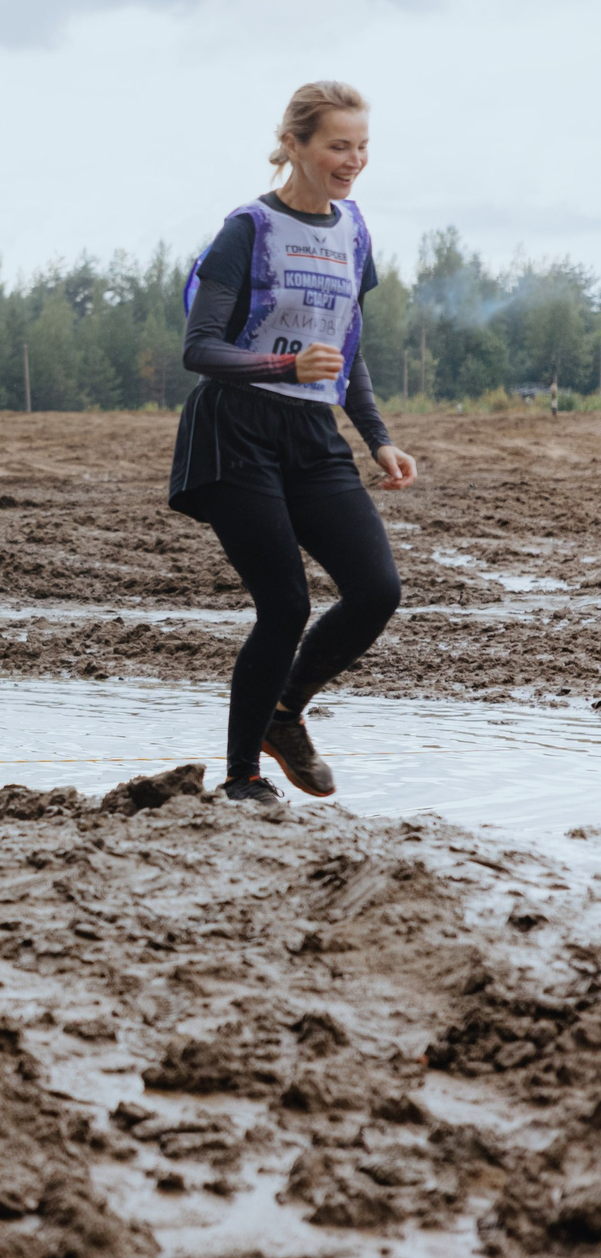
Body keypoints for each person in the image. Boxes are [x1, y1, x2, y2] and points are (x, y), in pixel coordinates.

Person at [169, 80, 418, 805]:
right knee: (284, 605)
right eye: (339, 145)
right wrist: (283, 362)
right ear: (296, 146)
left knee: (376, 590)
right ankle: (243, 774)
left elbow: (348, 347)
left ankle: (285, 713)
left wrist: (377, 438)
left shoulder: (354, 231)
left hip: (312, 432)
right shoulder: (247, 229)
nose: (354, 159)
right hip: (235, 427)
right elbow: (200, 347)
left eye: (362, 145)